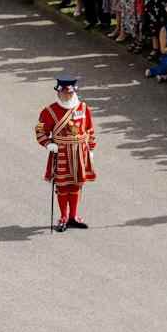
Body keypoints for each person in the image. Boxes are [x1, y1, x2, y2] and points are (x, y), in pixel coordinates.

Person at [35, 75, 97, 232]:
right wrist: (48, 144)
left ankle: (73, 216)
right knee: (63, 186)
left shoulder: (83, 108)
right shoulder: (49, 111)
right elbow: (40, 131)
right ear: (58, 92)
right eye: (63, 93)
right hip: (61, 152)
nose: (66, 95)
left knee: (76, 184)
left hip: (80, 153)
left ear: (74, 91)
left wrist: (90, 148)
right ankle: (63, 216)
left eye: (69, 93)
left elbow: (89, 129)